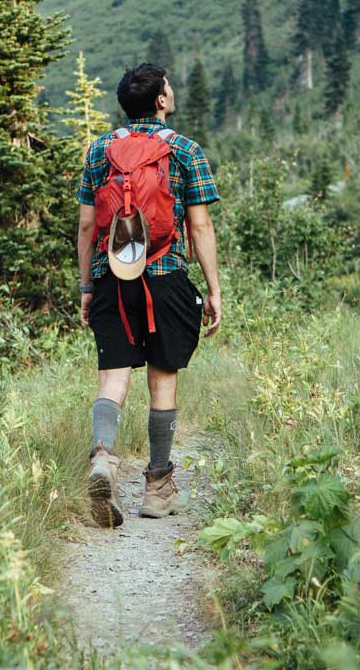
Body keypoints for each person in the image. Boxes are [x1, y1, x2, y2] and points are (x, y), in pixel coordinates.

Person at [76, 62, 221, 526]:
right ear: (160, 100)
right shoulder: (184, 150)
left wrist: (86, 285)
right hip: (165, 276)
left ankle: (103, 458)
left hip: (111, 279)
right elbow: (199, 225)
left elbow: (85, 225)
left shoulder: (99, 151)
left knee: (113, 379)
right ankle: (157, 489)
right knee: (162, 379)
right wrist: (214, 290)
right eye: (169, 87)